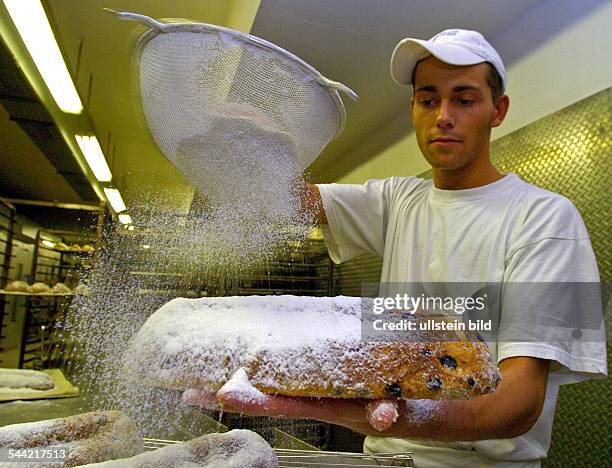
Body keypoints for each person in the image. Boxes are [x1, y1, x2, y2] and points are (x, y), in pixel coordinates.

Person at [184, 29, 607, 466]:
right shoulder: (400, 200)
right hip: (383, 459)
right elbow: (288, 199)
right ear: (413, 109)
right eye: (428, 100)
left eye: (464, 99)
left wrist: (396, 417)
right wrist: (253, 152)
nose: (443, 116)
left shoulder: (545, 219)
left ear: (497, 110)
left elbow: (519, 401)